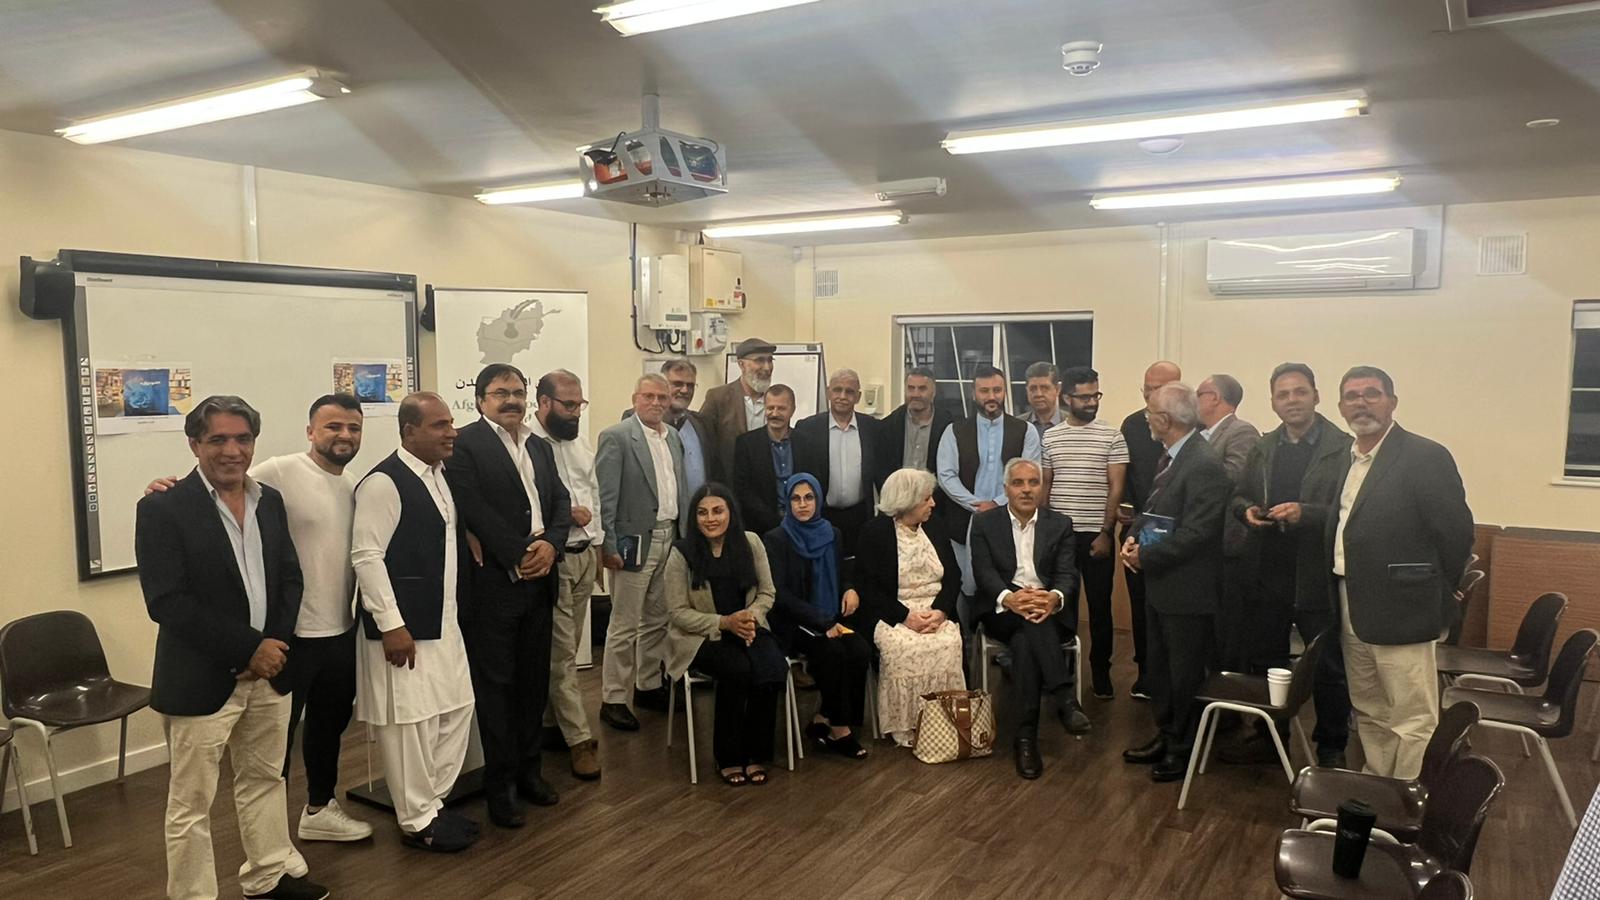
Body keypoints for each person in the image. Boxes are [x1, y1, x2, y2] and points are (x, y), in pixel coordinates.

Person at [146, 394, 374, 844]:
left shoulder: (348, 486)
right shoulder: (279, 472)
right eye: (333, 426)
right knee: (263, 757)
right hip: (289, 640)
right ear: (310, 431)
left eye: (353, 427)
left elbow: (291, 572)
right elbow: (212, 493)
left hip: (332, 631)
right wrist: (254, 646)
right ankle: (268, 849)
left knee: (322, 731)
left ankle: (314, 815)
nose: (344, 435)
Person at [135, 395, 328, 900]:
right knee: (191, 804)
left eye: (242, 439)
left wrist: (272, 647)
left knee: (265, 779)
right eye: (217, 439)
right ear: (194, 444)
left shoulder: (271, 501)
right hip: (201, 679)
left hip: (271, 673)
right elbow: (168, 601)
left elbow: (289, 578)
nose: (232, 450)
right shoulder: (162, 508)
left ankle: (267, 877)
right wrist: (248, 650)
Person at [1328, 366, 1474, 780]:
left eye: (1371, 394)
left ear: (1392, 402)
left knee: (1411, 716)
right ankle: (1378, 782)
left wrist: (1437, 587)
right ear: (1340, 407)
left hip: (1404, 606)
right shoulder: (1346, 459)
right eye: (1352, 396)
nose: (1361, 403)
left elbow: (1456, 532)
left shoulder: (1425, 456)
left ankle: (1407, 795)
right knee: (1369, 706)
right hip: (1351, 599)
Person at [445, 365, 572, 827]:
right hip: (496, 585)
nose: (512, 400)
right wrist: (520, 555)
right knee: (497, 689)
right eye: (501, 393)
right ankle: (500, 788)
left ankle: (529, 773)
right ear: (480, 400)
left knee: (533, 685)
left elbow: (561, 502)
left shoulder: (539, 445)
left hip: (542, 576)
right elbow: (472, 508)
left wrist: (551, 545)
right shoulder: (465, 445)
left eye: (518, 392)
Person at [351, 392, 478, 853]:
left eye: (451, 423)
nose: (452, 432)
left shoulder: (440, 476)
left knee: (456, 708)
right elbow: (367, 556)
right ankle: (416, 820)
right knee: (409, 723)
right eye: (440, 425)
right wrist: (391, 624)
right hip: (402, 627)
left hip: (444, 618)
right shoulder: (383, 483)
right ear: (409, 431)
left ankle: (432, 802)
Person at [1222, 363, 1353, 768]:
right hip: (1266, 572)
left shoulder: (1343, 448)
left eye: (1300, 392)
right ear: (1273, 402)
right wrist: (1246, 512)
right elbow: (1238, 495)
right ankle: (1270, 738)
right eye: (1283, 394)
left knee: (1328, 666)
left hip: (1317, 574)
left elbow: (1351, 512)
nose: (1292, 400)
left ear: (1316, 395)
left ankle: (1331, 747)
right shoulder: (1264, 447)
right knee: (1267, 661)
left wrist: (1306, 513)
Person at [1119, 382, 1231, 784]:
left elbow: (1198, 533)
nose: (1146, 418)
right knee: (1162, 670)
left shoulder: (1203, 463)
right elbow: (1156, 512)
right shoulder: (1173, 456)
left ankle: (1183, 749)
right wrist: (1134, 538)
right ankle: (1166, 735)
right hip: (1163, 586)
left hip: (1187, 592)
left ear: (1165, 420)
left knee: (1184, 675)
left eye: (1150, 412)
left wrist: (1144, 556)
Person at [971, 458, 1089, 780]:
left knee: (1025, 640)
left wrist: (1054, 597)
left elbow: (1067, 573)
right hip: (1002, 610)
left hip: (1047, 609)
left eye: (1033, 482)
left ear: (1042, 487)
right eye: (1018, 483)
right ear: (1006, 488)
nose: (1026, 490)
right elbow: (983, 572)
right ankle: (1064, 697)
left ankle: (1025, 740)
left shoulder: (1060, 524)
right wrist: (1009, 598)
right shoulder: (984, 523)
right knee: (1028, 624)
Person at [663, 483, 786, 785]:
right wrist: (724, 622)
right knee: (737, 669)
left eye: (718, 511)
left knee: (771, 666)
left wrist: (749, 617)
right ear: (694, 518)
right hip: (700, 637)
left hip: (748, 626)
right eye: (702, 513)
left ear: (731, 512)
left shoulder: (751, 542)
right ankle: (728, 758)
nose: (710, 519)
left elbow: (767, 592)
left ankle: (755, 753)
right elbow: (677, 612)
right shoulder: (681, 553)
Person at [595, 374, 690, 731]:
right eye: (648, 396)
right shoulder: (616, 437)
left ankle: (648, 685)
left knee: (658, 618)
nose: (656, 403)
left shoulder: (674, 437)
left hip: (669, 536)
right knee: (624, 624)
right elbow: (605, 498)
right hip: (631, 542)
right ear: (635, 398)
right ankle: (613, 698)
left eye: (662, 397)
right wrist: (607, 545)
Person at [763, 473, 872, 760]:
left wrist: (849, 588)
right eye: (796, 499)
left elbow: (844, 570)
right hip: (794, 623)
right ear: (788, 503)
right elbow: (779, 595)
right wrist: (822, 622)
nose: (802, 504)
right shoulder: (776, 539)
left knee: (860, 650)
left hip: (831, 616)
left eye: (809, 497)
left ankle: (825, 717)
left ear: (818, 500)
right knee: (833, 652)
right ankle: (840, 730)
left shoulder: (832, 533)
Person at [529, 369, 604, 781]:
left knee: (566, 652)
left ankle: (550, 724)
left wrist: (598, 546)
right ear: (544, 403)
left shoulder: (579, 442)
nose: (576, 412)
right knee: (562, 658)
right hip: (553, 559)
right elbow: (526, 505)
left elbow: (594, 494)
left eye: (580, 404)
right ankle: (579, 740)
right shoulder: (527, 446)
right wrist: (565, 514)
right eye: (569, 405)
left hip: (584, 555)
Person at [856, 468, 965, 747]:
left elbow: (954, 577)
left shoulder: (935, 527)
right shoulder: (874, 532)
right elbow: (869, 589)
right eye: (926, 499)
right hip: (893, 613)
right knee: (904, 646)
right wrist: (905, 617)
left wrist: (940, 611)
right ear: (907, 501)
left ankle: (946, 721)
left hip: (935, 610)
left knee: (948, 642)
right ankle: (907, 724)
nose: (933, 504)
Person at [1041, 366, 1128, 700]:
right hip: (1060, 536)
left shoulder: (1112, 436)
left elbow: (1115, 488)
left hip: (1096, 534)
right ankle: (1062, 672)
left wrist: (1106, 532)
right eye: (1085, 396)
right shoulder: (1051, 437)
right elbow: (1046, 487)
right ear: (1066, 398)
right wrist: (1044, 533)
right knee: (1062, 606)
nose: (1092, 402)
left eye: (1096, 395)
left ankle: (1101, 672)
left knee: (1100, 608)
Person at [936, 365, 1043, 600]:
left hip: (1011, 520)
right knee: (962, 586)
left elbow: (1032, 475)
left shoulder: (1026, 431)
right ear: (974, 394)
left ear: (1005, 392)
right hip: (963, 521)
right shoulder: (954, 431)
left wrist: (997, 504)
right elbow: (946, 476)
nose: (991, 396)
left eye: (997, 390)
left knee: (1008, 583)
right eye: (984, 391)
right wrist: (976, 505)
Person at [1117, 360, 1183, 699]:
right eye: (1147, 388)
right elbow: (1124, 474)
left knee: (1170, 610)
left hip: (1178, 537)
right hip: (1138, 529)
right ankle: (1145, 672)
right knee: (1141, 607)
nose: (1150, 394)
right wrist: (1123, 504)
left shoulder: (1191, 427)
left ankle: (1173, 677)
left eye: (1158, 389)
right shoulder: (1131, 425)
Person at [1196, 373, 1261, 673]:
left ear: (1214, 398)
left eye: (1199, 394)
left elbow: (1234, 478)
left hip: (1230, 545)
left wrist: (1190, 472)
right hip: (1205, 544)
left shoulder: (1241, 431)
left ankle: (1230, 690)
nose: (1194, 401)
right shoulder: (1203, 434)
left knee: (1230, 627)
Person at [794, 367, 886, 557]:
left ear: (858, 397)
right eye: (837, 390)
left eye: (849, 391)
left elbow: (881, 475)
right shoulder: (807, 428)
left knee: (858, 566)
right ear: (829, 392)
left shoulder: (873, 428)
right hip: (821, 515)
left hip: (860, 515)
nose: (842, 396)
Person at [732, 383, 822, 536]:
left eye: (781, 408)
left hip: (802, 526)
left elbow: (815, 483)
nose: (774, 413)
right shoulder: (746, 443)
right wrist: (775, 522)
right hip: (761, 528)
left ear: (792, 410)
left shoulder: (808, 443)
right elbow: (742, 490)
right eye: (770, 408)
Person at [880, 367, 957, 536]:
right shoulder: (887, 426)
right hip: (897, 510)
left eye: (922, 388)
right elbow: (881, 470)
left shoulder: (951, 425)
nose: (915, 394)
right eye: (911, 388)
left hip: (936, 510)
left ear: (933, 392)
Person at [700, 337, 776, 473]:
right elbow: (704, 443)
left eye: (770, 360)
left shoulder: (775, 400)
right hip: (730, 481)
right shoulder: (718, 398)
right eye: (760, 360)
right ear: (741, 365)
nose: (767, 367)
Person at [661, 359, 715, 491]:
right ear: (662, 385)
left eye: (690, 385)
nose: (685, 390)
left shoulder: (702, 423)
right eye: (677, 384)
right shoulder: (645, 423)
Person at [1022, 362, 1064, 437]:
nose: (1039, 394)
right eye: (1033, 388)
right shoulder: (1017, 426)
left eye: (1045, 388)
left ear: (1057, 389)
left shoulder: (1074, 425)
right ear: (1027, 390)